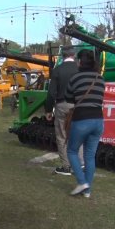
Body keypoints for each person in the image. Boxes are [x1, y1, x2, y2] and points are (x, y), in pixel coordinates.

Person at [65, 49, 105, 198]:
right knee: (90, 156)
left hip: (81, 119)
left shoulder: (75, 78)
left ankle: (82, 182)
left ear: (80, 62)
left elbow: (68, 98)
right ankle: (87, 191)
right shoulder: (100, 79)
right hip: (98, 121)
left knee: (72, 151)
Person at [45, 47, 80, 176]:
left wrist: (48, 110)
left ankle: (66, 166)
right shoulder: (79, 69)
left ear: (62, 55)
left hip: (62, 104)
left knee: (61, 136)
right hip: (77, 105)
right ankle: (80, 163)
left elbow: (51, 92)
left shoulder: (57, 70)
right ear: (74, 55)